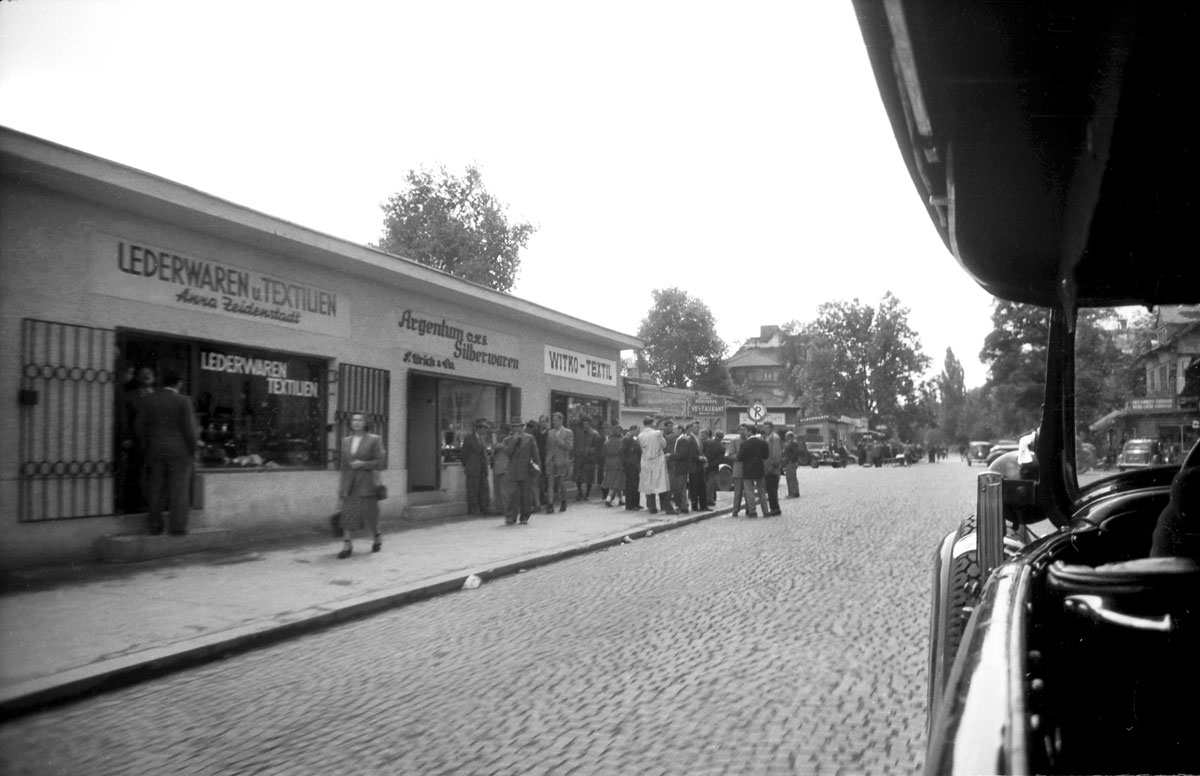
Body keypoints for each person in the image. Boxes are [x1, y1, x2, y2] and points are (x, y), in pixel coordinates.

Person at [135, 369, 197, 535]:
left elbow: (139, 427)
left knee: (156, 489)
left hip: (155, 450)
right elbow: (190, 429)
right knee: (179, 490)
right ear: (179, 383)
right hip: (180, 452)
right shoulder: (183, 401)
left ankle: (155, 526)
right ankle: (177, 528)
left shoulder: (149, 400)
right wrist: (194, 449)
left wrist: (147, 446)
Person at [336, 411, 387, 558]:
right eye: (353, 420)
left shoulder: (374, 439)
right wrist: (342, 486)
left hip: (367, 482)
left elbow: (381, 461)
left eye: (359, 420)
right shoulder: (346, 441)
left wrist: (363, 464)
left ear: (365, 423)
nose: (356, 422)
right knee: (348, 514)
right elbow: (344, 465)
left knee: (370, 514)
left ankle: (377, 536)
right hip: (350, 483)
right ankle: (347, 545)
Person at [117, 364, 155, 514]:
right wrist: (126, 437)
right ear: (137, 377)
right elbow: (123, 418)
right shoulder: (129, 395)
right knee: (136, 473)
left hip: (157, 442)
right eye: (143, 372)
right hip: (136, 442)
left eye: (149, 372)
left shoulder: (160, 395)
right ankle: (133, 505)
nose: (146, 375)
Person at [502, 420, 540, 525]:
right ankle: (510, 517)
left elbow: (535, 454)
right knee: (512, 496)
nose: (516, 429)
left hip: (525, 471)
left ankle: (524, 517)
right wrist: (514, 441)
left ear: (522, 427)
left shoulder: (529, 438)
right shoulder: (507, 440)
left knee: (526, 497)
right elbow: (508, 452)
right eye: (514, 427)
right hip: (512, 471)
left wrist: (537, 468)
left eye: (518, 426)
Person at [638, 417, 673, 515]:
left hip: (646, 462)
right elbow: (664, 444)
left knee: (649, 486)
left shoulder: (640, 435)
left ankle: (652, 508)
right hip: (657, 461)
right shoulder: (657, 433)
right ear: (652, 423)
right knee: (662, 485)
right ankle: (668, 508)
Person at [737, 424, 771, 518]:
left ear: (750, 432)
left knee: (749, 491)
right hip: (759, 469)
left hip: (747, 470)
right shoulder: (763, 443)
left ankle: (753, 512)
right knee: (761, 491)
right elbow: (766, 456)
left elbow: (739, 457)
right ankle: (765, 511)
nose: (745, 433)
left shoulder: (744, 444)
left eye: (746, 431)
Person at [462, 418, 492, 514]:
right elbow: (464, 454)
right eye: (484, 428)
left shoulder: (482, 439)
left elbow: (484, 453)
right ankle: (473, 509)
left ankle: (484, 508)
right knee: (472, 490)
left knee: (484, 489)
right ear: (478, 428)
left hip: (482, 468)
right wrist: (467, 466)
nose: (486, 430)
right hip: (473, 468)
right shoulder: (469, 439)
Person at [545, 412, 574, 513]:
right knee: (550, 482)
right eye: (553, 420)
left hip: (562, 460)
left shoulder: (568, 432)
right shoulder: (550, 433)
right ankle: (550, 504)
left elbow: (570, 447)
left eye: (555, 420)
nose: (553, 422)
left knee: (561, 483)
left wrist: (560, 441)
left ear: (561, 420)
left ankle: (563, 501)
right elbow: (548, 447)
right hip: (551, 460)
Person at [573, 417, 600, 501]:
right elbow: (575, 443)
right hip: (579, 457)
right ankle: (580, 493)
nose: (585, 426)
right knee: (578, 476)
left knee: (589, 477)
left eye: (587, 424)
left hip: (589, 458)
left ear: (590, 424)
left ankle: (587, 494)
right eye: (584, 424)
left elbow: (598, 446)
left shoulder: (594, 434)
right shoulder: (579, 433)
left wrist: (592, 451)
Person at [601, 424, 626, 507]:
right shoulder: (621, 441)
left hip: (608, 461)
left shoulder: (607, 441)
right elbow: (622, 452)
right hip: (618, 461)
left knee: (613, 480)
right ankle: (608, 498)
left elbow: (603, 452)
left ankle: (621, 499)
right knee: (616, 480)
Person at [491, 424, 512, 518]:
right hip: (497, 468)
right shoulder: (503, 440)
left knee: (504, 490)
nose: (498, 433)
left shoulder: (508, 440)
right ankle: (499, 507)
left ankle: (506, 508)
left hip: (504, 468)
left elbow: (496, 446)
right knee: (498, 490)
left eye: (500, 432)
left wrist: (493, 437)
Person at [762, 421, 783, 516]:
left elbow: (775, 454)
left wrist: (772, 465)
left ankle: (775, 508)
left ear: (771, 428)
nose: (765, 429)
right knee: (770, 490)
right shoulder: (768, 437)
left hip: (772, 468)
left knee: (772, 489)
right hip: (768, 467)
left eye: (767, 428)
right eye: (764, 428)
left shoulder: (774, 438)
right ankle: (773, 507)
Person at [620, 424, 642, 510]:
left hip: (635, 464)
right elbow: (621, 451)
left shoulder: (634, 438)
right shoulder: (627, 438)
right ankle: (630, 504)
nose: (638, 432)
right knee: (631, 485)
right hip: (630, 465)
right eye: (637, 430)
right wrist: (626, 463)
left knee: (636, 484)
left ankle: (636, 503)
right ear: (633, 430)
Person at [703, 429, 726, 508]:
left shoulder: (707, 442)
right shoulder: (722, 447)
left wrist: (705, 462)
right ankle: (710, 499)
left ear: (715, 435)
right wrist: (710, 464)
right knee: (711, 484)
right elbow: (720, 460)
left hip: (704, 465)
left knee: (704, 483)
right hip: (713, 467)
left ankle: (704, 498)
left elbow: (702, 452)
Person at [728, 425, 746, 517]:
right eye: (741, 430)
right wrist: (739, 457)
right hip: (738, 469)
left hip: (749, 470)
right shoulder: (734, 441)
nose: (742, 432)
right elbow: (731, 454)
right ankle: (735, 510)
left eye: (744, 430)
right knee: (738, 492)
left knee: (748, 491)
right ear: (738, 431)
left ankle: (749, 509)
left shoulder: (749, 441)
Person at [782, 431, 802, 498]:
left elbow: (795, 453)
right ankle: (790, 492)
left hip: (791, 463)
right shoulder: (788, 443)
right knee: (789, 478)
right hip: (788, 463)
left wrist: (791, 460)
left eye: (786, 436)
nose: (785, 437)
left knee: (792, 478)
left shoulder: (794, 443)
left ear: (790, 436)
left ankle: (795, 492)